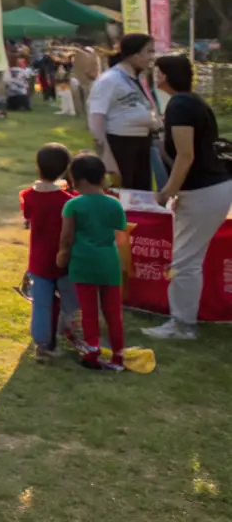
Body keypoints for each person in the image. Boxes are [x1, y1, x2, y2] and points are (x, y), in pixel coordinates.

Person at [144, 54, 232, 341]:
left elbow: (186, 155)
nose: (155, 76)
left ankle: (182, 326)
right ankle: (184, 322)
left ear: (165, 76)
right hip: (208, 189)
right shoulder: (191, 101)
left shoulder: (180, 105)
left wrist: (167, 192)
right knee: (189, 259)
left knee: (184, 262)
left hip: (203, 191)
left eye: (157, 72)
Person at [58, 153, 127, 370]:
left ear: (78, 180)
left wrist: (62, 255)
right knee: (113, 312)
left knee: (89, 312)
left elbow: (67, 237)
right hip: (109, 262)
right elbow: (121, 237)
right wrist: (125, 265)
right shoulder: (115, 204)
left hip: (83, 262)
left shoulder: (72, 205)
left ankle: (92, 351)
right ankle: (118, 355)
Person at [20, 143, 78, 360]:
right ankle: (74, 336)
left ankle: (42, 345)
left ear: (38, 167)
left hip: (39, 260)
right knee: (72, 302)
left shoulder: (28, 196)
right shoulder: (69, 201)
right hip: (65, 260)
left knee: (41, 305)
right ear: (65, 169)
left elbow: (27, 215)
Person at [88, 33, 159, 191]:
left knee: (141, 195)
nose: (152, 57)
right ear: (133, 54)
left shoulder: (137, 78)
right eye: (149, 51)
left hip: (142, 142)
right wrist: (108, 160)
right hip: (121, 145)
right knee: (123, 194)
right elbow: (96, 121)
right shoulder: (110, 80)